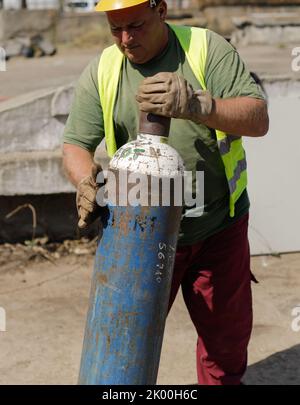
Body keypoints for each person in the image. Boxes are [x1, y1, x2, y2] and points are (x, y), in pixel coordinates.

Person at [62, 0, 269, 385]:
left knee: (225, 347)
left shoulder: (207, 50)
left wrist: (197, 104)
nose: (126, 39)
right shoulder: (105, 70)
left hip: (216, 228)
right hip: (140, 235)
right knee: (123, 344)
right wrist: (84, 180)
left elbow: (257, 118)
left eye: (136, 25)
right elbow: (75, 143)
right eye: (115, 29)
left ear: (162, 9)